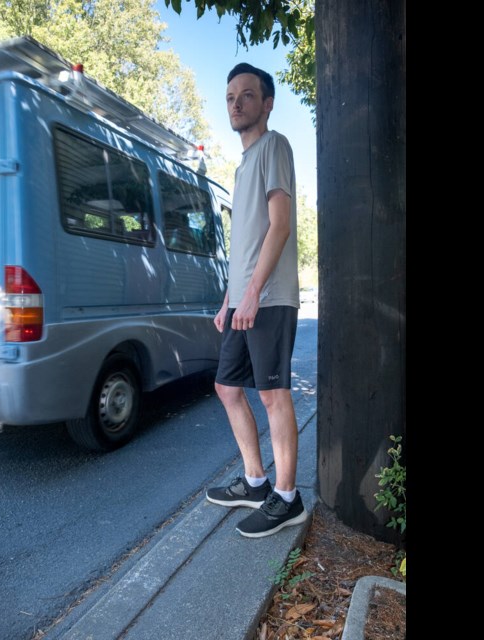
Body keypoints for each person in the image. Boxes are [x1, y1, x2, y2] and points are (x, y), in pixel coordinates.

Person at [205, 63, 306, 538]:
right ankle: (255, 481)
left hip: (269, 299)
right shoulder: (242, 166)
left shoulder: (274, 147)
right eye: (230, 97)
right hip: (244, 300)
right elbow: (245, 244)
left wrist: (250, 295)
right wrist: (229, 300)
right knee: (228, 387)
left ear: (266, 104)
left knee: (271, 393)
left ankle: (288, 497)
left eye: (247, 95)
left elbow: (279, 225)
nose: (236, 103)